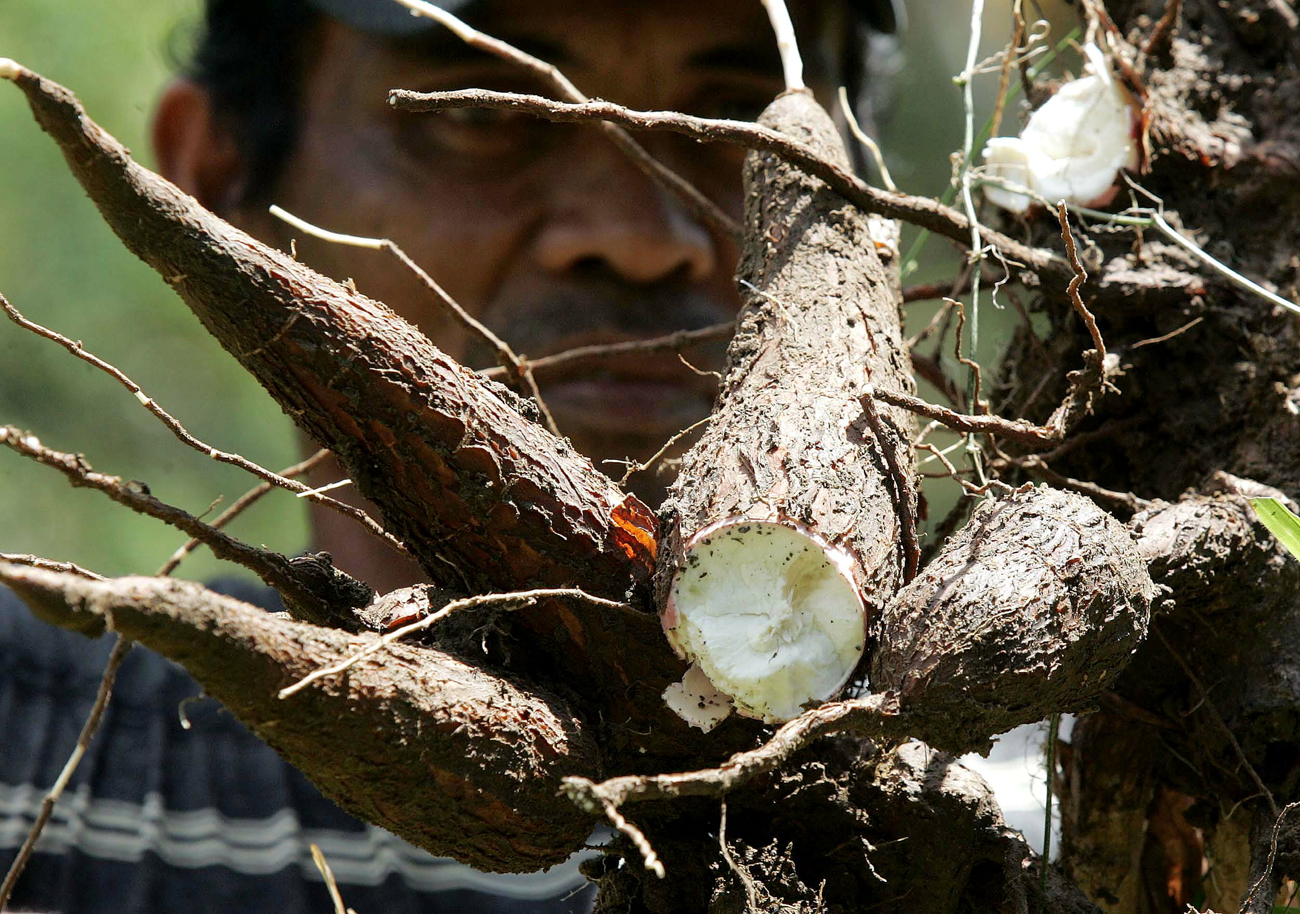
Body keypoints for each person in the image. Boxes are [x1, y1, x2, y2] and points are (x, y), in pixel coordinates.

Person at [0, 0, 898, 911]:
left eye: (738, 121)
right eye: (482, 115)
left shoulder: (977, 789)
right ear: (217, 172)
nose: (637, 240)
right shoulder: (28, 751)